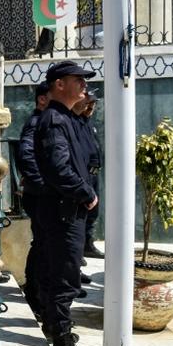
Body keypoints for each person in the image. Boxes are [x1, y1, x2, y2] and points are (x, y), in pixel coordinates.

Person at [34, 61, 98, 346]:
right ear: (59, 84)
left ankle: (54, 326)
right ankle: (61, 337)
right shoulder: (54, 120)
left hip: (69, 210)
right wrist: (85, 193)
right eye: (79, 80)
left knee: (60, 271)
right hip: (63, 211)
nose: (84, 85)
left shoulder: (68, 118)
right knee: (65, 275)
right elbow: (58, 168)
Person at [16, 81, 50, 318]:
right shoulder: (36, 123)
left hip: (43, 193)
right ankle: (35, 294)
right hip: (39, 195)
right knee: (42, 245)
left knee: (44, 245)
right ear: (41, 99)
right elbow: (25, 154)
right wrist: (41, 184)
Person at [72, 90, 105, 260]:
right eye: (88, 102)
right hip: (83, 174)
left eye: (93, 103)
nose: (91, 106)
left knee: (93, 212)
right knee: (83, 212)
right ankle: (79, 250)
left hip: (94, 174)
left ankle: (87, 245)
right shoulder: (75, 123)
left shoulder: (88, 123)